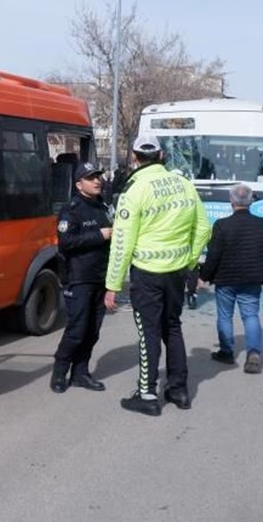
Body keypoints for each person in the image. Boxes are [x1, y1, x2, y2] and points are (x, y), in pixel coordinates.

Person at [105, 135, 210, 416]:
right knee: (172, 327)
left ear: (135, 158)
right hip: (176, 271)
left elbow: (122, 242)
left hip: (147, 274)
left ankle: (147, 394)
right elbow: (203, 229)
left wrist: (112, 284)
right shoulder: (184, 184)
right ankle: (179, 390)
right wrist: (188, 262)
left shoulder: (135, 190)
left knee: (148, 333)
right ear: (162, 156)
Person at [198, 184, 263, 374]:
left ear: (231, 201)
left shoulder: (221, 225)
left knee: (225, 315)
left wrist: (203, 277)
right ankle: (253, 352)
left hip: (226, 278)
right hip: (252, 277)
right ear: (251, 202)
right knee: (250, 314)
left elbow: (214, 255)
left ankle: (226, 352)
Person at [50, 162, 113, 394]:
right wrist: (99, 235)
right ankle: (59, 371)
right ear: (79, 184)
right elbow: (66, 243)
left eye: (98, 176)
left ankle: (81, 373)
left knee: (92, 330)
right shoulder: (71, 209)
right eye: (90, 178)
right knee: (77, 330)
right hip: (79, 277)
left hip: (101, 277)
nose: (97, 181)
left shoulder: (104, 207)